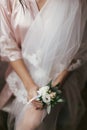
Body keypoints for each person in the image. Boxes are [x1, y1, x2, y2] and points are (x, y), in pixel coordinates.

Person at [0, 0, 87, 130]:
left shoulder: (75, 2)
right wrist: (29, 85)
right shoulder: (7, 2)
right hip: (22, 69)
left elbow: (79, 49)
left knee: (31, 123)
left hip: (58, 73)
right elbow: (6, 42)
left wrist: (54, 89)